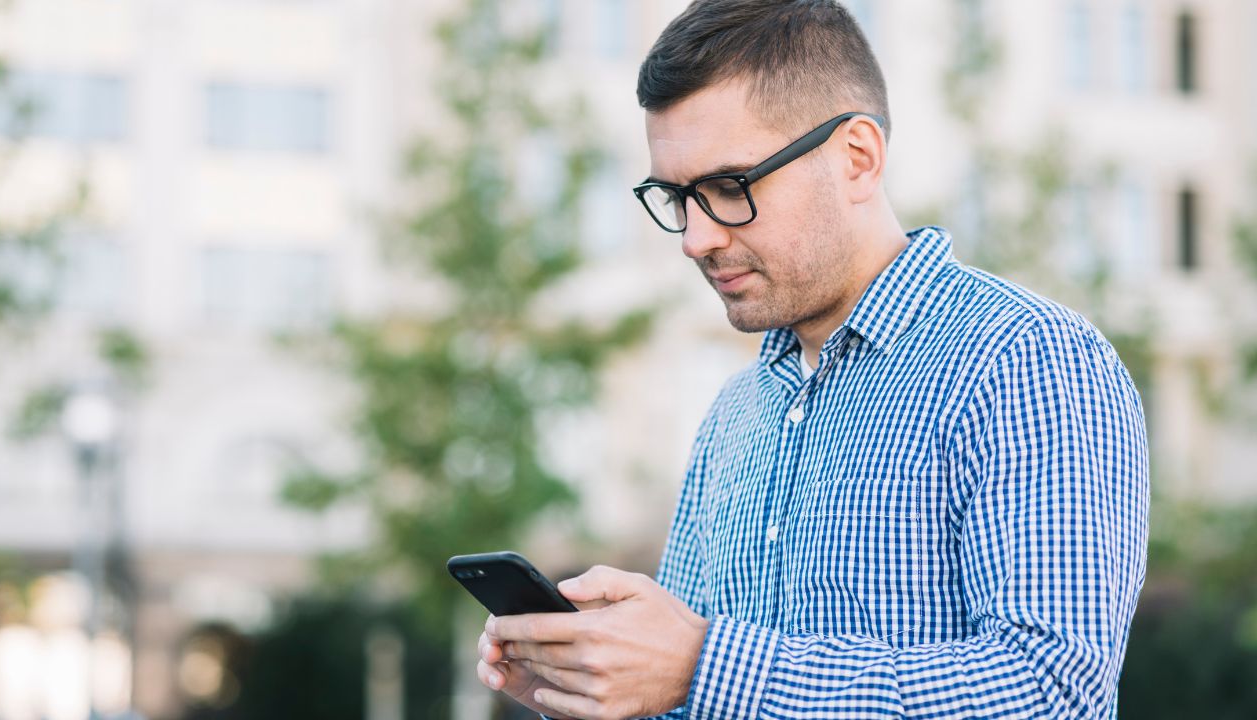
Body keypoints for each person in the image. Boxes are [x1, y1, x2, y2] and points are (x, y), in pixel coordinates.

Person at [475, 1, 1150, 718]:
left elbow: (1052, 692)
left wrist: (704, 666)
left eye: (729, 188)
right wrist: (593, 687)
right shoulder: (737, 411)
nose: (695, 238)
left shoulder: (1027, 361)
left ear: (857, 157)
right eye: (677, 197)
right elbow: (702, 695)